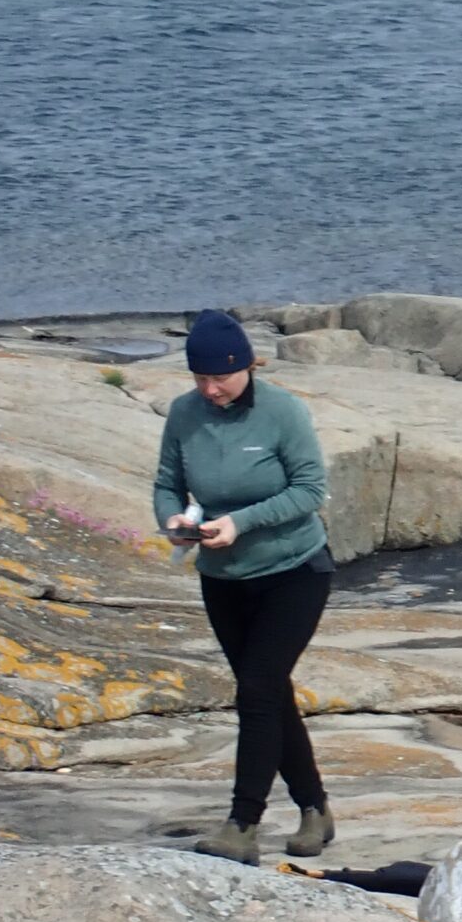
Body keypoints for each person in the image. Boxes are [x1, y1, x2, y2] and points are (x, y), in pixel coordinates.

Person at [152, 309, 337, 865]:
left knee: (256, 691)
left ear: (247, 367)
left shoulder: (283, 412)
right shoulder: (184, 413)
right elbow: (168, 484)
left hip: (294, 572)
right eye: (200, 378)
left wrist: (241, 522)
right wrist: (173, 521)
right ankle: (315, 809)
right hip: (223, 580)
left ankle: (242, 824)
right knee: (270, 693)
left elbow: (310, 489)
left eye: (221, 378)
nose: (211, 389)